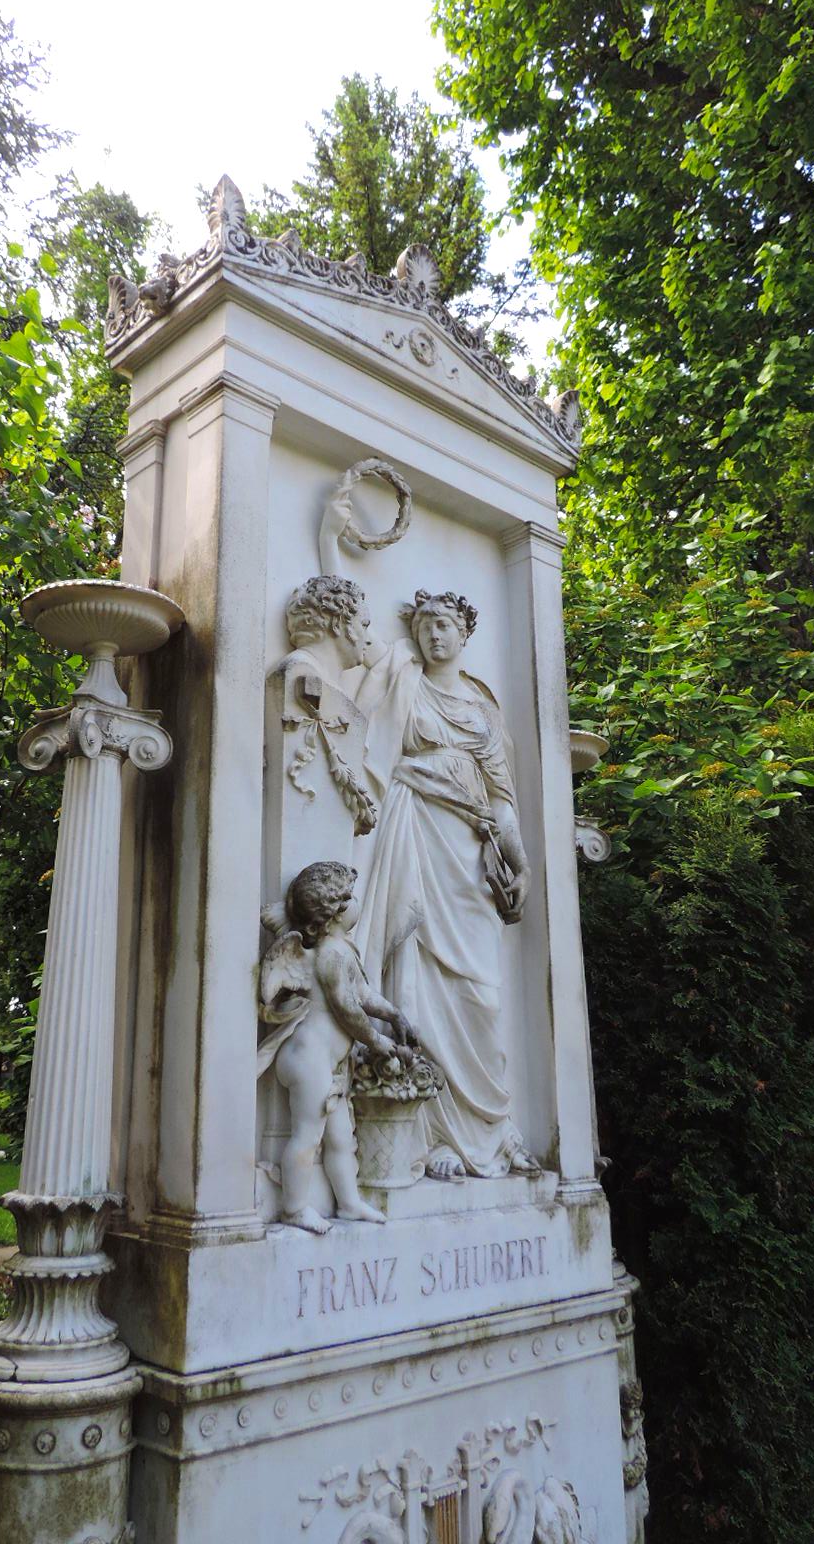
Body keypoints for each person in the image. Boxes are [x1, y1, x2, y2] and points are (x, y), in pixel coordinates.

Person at [320, 492, 540, 1180]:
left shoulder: (481, 709)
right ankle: (433, 1139)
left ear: (464, 633)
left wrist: (522, 865)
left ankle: (493, 1130)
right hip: (414, 842)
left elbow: (502, 801)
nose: (433, 636)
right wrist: (332, 538)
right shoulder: (404, 681)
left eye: (444, 624)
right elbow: (341, 634)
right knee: (415, 981)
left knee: (481, 993)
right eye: (424, 626)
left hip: (470, 861)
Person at [258, 861, 417, 1232]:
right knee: (307, 1136)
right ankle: (294, 1208)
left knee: (342, 1139)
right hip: (307, 1058)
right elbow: (347, 1008)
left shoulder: (342, 950)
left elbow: (363, 994)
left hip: (328, 1065)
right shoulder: (329, 955)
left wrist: (395, 1015)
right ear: (333, 912)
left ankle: (347, 1203)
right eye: (349, 898)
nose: (355, 903)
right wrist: (377, 1040)